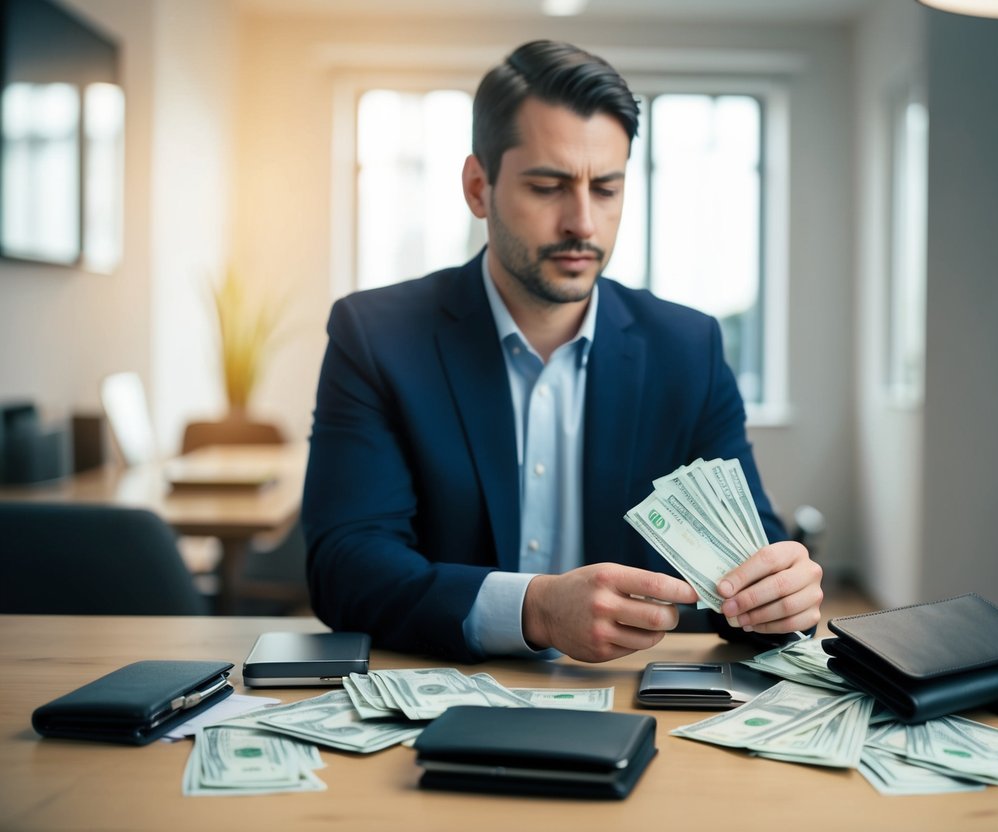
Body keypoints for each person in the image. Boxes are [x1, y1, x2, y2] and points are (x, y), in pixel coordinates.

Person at [303, 40, 822, 664]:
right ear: (478, 187)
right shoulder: (376, 335)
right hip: (440, 695)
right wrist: (536, 609)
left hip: (637, 712)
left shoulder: (688, 348)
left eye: (606, 189)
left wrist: (779, 595)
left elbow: (749, 560)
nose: (582, 222)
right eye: (548, 186)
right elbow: (346, 567)